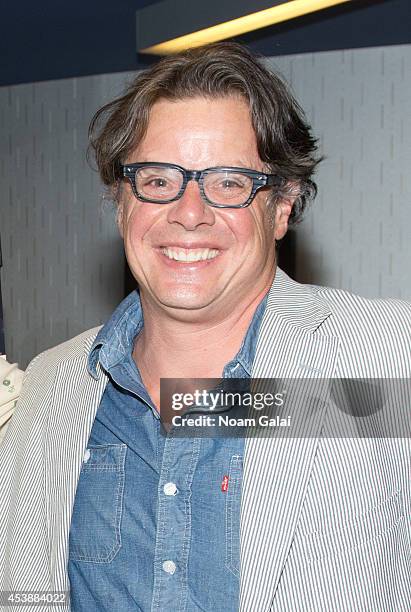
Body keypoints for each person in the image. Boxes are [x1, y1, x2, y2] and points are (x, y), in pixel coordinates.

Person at [0, 42, 410, 612]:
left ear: (283, 205)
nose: (189, 212)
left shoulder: (387, 359)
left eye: (228, 182)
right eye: (159, 179)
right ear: (121, 202)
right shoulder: (47, 389)